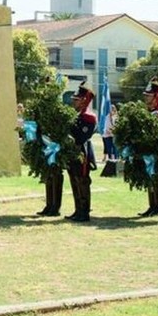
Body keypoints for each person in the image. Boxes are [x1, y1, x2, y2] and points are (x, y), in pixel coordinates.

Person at [66, 81, 96, 222]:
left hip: (82, 152)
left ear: (84, 101)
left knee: (82, 181)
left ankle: (84, 212)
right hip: (72, 151)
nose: (74, 102)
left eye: (77, 100)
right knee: (74, 180)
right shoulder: (77, 115)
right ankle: (78, 210)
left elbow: (82, 136)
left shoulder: (88, 116)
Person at [138, 77, 158, 217]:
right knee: (149, 178)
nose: (146, 98)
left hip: (156, 151)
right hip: (146, 150)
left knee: (155, 179)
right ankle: (152, 205)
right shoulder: (146, 113)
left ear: (156, 97)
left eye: (148, 96)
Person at [100, 104, 119, 177]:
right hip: (107, 135)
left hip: (114, 135)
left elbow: (117, 125)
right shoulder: (107, 117)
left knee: (115, 148)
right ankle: (110, 161)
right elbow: (106, 126)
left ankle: (116, 161)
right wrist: (109, 130)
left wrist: (114, 131)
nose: (112, 111)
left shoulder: (116, 117)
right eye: (111, 109)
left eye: (113, 109)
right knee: (108, 148)